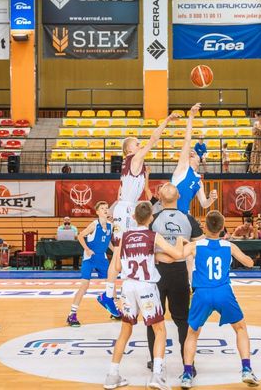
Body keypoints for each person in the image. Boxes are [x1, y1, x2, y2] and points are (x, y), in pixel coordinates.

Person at [97, 112, 179, 318]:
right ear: (129, 149)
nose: (139, 144)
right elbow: (154, 139)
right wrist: (166, 121)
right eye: (136, 143)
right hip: (126, 210)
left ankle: (122, 291)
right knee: (119, 252)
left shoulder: (134, 165)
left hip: (126, 208)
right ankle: (109, 294)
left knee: (125, 251)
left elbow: (120, 190)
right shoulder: (134, 158)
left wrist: (115, 211)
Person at [104, 201, 186, 390]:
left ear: (133, 217)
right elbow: (177, 254)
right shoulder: (153, 236)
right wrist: (180, 240)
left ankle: (112, 375)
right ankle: (157, 375)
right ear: (151, 218)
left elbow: (117, 267)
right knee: (160, 330)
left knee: (125, 331)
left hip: (127, 287)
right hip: (146, 287)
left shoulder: (124, 236)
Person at [180, 210, 259, 388]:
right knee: (240, 328)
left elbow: (177, 255)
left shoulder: (195, 246)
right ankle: (246, 369)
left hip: (202, 293)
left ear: (204, 227)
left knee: (192, 333)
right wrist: (246, 257)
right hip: (223, 292)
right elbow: (249, 263)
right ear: (222, 227)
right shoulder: (229, 246)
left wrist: (182, 242)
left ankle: (187, 374)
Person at [146, 183, 204, 372]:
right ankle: (189, 364)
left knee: (155, 319)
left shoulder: (152, 219)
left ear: (159, 198)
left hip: (157, 274)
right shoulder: (189, 219)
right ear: (179, 196)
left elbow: (145, 248)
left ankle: (155, 361)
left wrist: (159, 255)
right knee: (182, 320)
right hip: (179, 273)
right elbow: (200, 247)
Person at [67, 201, 112, 327]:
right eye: (102, 208)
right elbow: (80, 236)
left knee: (111, 283)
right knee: (84, 286)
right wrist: (87, 249)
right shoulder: (94, 224)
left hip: (102, 258)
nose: (105, 210)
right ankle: (72, 314)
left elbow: (108, 241)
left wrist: (116, 251)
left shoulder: (110, 225)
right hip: (90, 257)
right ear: (97, 212)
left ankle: (114, 309)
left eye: (107, 208)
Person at [171, 103, 217, 215]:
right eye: (189, 153)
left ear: (199, 160)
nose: (191, 152)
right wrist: (191, 116)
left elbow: (204, 204)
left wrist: (211, 199)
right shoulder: (183, 167)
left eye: (194, 153)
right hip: (171, 213)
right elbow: (187, 140)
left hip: (185, 214)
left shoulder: (198, 181)